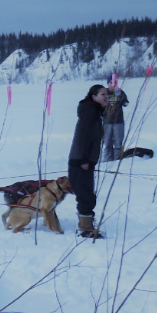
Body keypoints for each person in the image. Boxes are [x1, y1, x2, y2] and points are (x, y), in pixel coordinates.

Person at [68, 84, 108, 238]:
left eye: (107, 94)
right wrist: (84, 159)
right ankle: (85, 228)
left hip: (85, 160)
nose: (106, 97)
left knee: (87, 194)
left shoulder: (94, 111)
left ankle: (87, 223)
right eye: (102, 94)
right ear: (94, 97)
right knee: (85, 194)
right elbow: (83, 136)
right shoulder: (90, 112)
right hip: (81, 160)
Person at [102, 74, 129, 161]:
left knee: (118, 143)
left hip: (118, 121)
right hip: (107, 122)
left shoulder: (120, 92)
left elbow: (126, 103)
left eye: (115, 82)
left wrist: (121, 97)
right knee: (107, 143)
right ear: (108, 83)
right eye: (111, 82)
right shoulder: (104, 93)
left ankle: (117, 160)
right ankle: (107, 161)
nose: (113, 84)